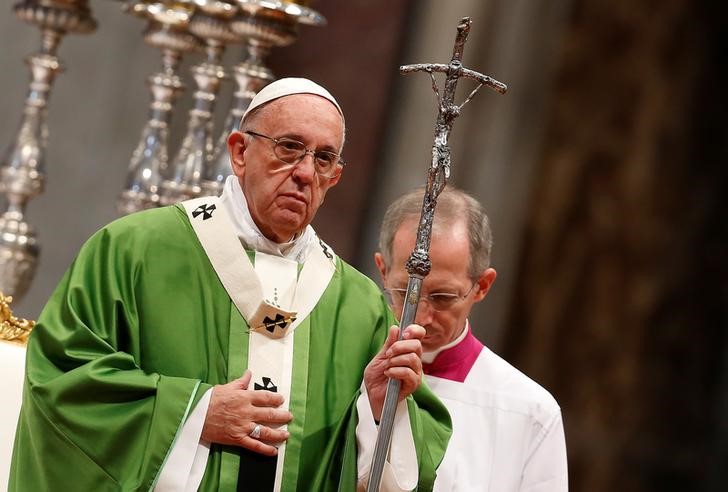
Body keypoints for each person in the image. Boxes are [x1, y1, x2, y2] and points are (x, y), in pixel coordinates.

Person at [10, 78, 450, 491]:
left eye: (323, 158)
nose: (303, 172)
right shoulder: (134, 251)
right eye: (289, 147)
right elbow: (62, 382)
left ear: (335, 177)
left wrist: (376, 409)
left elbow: (390, 472)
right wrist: (194, 414)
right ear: (239, 152)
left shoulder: (358, 304)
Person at [374, 186, 568, 491]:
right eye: (405, 292)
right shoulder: (345, 367)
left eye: (443, 297)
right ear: (382, 271)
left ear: (482, 286)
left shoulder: (530, 412)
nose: (421, 318)